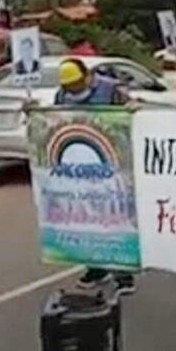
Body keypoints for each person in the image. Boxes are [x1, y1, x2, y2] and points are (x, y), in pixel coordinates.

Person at [54, 59, 135, 295]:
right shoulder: (62, 96)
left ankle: (124, 274)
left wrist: (132, 108)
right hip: (81, 165)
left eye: (78, 84)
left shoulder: (112, 89)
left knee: (116, 218)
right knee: (87, 219)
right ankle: (96, 268)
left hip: (114, 164)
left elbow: (132, 110)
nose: (74, 90)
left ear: (88, 76)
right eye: (70, 87)